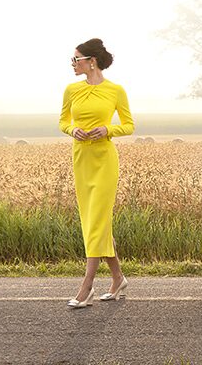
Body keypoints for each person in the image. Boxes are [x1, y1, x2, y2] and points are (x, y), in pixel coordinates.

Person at [58, 38, 135, 308]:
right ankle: (118, 279)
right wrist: (72, 130)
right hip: (81, 158)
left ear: (92, 61)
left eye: (76, 59)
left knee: (97, 222)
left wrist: (108, 130)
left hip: (104, 159)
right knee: (94, 221)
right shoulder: (71, 90)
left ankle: (87, 286)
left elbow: (128, 125)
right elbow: (63, 120)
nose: (72, 64)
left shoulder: (115, 91)